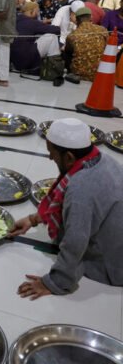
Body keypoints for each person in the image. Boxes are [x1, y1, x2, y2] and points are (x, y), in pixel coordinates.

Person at [9, 118, 123, 300]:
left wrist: (54, 282)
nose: (50, 158)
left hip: (112, 264)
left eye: (52, 153)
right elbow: (69, 204)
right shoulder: (101, 159)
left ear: (69, 157)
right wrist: (33, 219)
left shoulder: (81, 188)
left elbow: (75, 241)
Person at [10, 2, 61, 73]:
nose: (38, 14)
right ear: (31, 11)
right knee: (52, 37)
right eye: (37, 11)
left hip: (15, 62)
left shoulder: (16, 20)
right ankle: (54, 67)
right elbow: (56, 30)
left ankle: (51, 66)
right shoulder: (31, 22)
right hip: (26, 60)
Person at [64, 7, 108, 81]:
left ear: (77, 20)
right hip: (100, 73)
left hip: (79, 75)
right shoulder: (102, 30)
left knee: (66, 54)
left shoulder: (72, 35)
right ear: (91, 17)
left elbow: (68, 52)